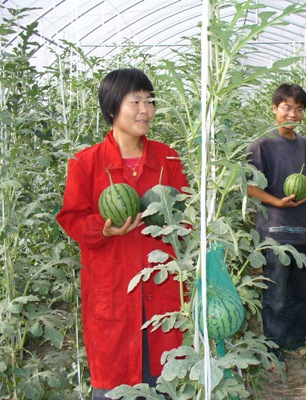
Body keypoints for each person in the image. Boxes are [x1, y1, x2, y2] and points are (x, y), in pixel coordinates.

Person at [56, 68, 189, 399]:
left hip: (163, 289)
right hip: (113, 292)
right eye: (135, 101)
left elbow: (186, 215)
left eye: (150, 101)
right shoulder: (86, 162)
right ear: (112, 108)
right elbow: (71, 217)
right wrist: (103, 229)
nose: (145, 110)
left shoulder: (167, 159)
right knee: (114, 386)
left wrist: (173, 223)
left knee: (166, 381)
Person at [246, 83, 306, 363]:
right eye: (287, 107)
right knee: (276, 295)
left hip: (303, 231)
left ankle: (295, 342)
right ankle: (273, 350)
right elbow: (250, 188)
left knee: (300, 294)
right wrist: (277, 202)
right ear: (275, 108)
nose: (293, 114)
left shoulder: (302, 144)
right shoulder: (261, 144)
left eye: (299, 109)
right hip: (275, 232)